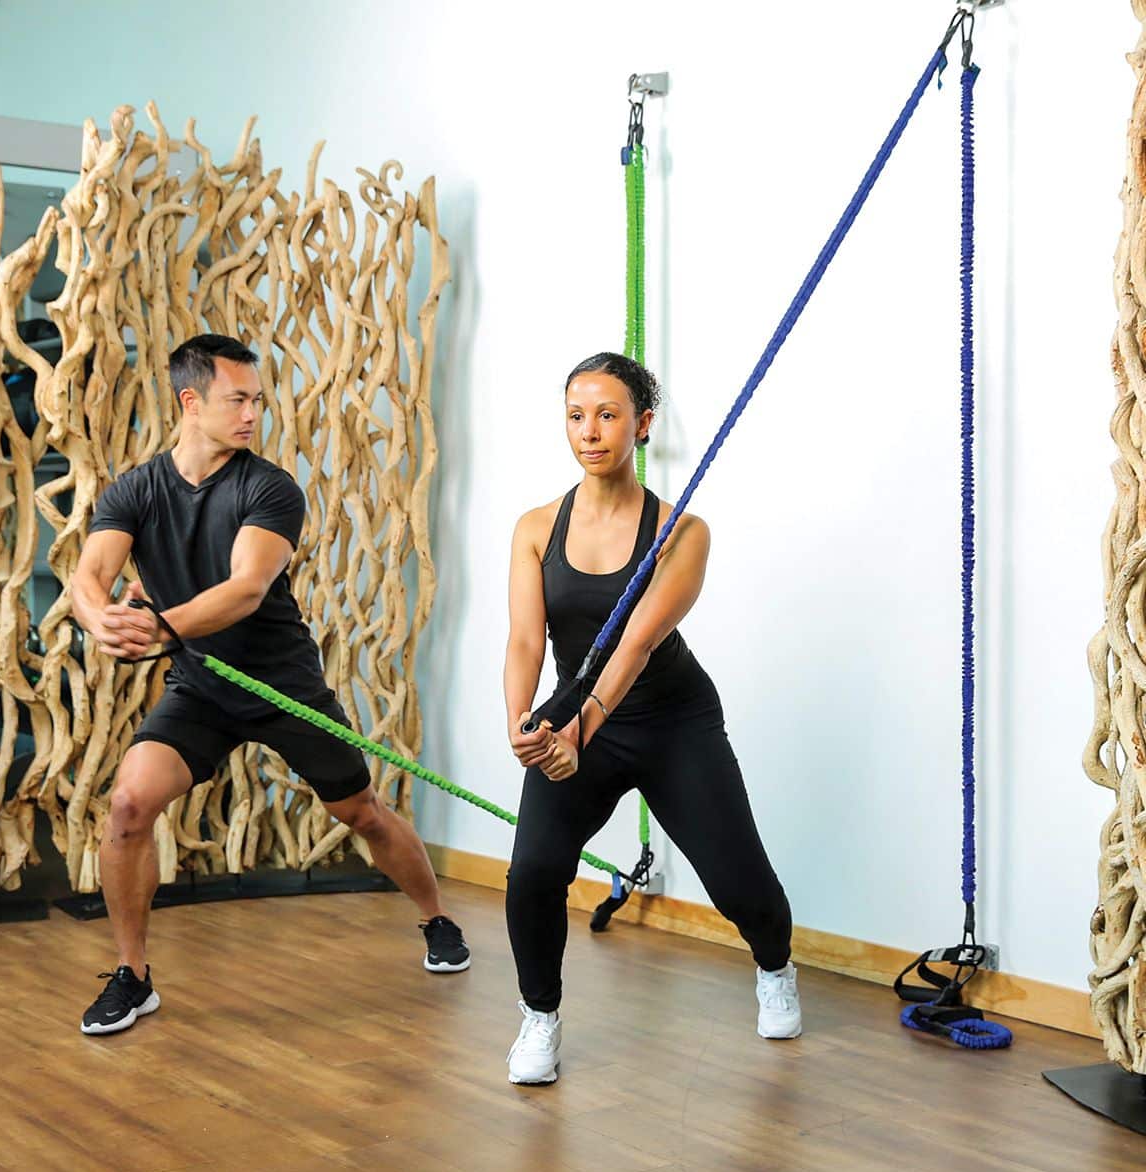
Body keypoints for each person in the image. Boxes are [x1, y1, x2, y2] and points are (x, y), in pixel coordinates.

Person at [70, 334, 469, 1036]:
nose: (253, 413)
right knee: (129, 806)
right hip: (201, 689)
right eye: (238, 400)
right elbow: (89, 574)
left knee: (362, 813)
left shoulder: (268, 487)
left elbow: (247, 588)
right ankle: (133, 975)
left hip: (285, 687)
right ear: (191, 402)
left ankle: (437, 919)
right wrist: (98, 618)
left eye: (257, 400)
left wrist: (160, 628)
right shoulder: (136, 490)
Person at [502, 352, 799, 1084]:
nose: (590, 431)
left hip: (672, 722)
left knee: (739, 883)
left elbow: (635, 645)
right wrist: (524, 725)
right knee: (533, 871)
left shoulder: (681, 532)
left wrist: (581, 728)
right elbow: (525, 641)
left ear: (642, 425)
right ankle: (539, 1017)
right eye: (577, 415)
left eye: (608, 415)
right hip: (575, 718)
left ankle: (776, 966)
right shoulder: (536, 527)